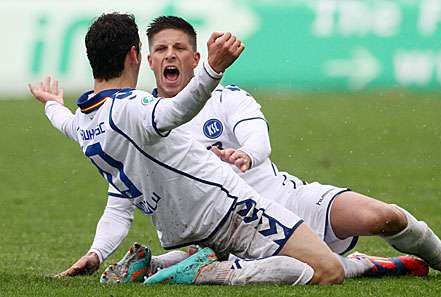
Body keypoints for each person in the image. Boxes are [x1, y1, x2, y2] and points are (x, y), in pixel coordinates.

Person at [56, 15, 441, 282]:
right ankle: (369, 264)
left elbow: (258, 137)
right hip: (225, 224)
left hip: (284, 199)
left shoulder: (228, 97)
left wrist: (246, 155)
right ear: (146, 58)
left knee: (383, 215)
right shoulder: (140, 117)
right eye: (161, 49)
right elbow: (122, 192)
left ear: (194, 59)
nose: (170, 55)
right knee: (321, 270)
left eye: (180, 48)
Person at [29, 12, 351, 286]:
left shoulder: (85, 123)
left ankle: (161, 265)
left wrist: (51, 105)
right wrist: (212, 70)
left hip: (185, 232)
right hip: (231, 210)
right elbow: (176, 110)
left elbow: (65, 123)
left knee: (311, 263)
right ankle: (209, 272)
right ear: (135, 55)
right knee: (328, 269)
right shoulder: (132, 106)